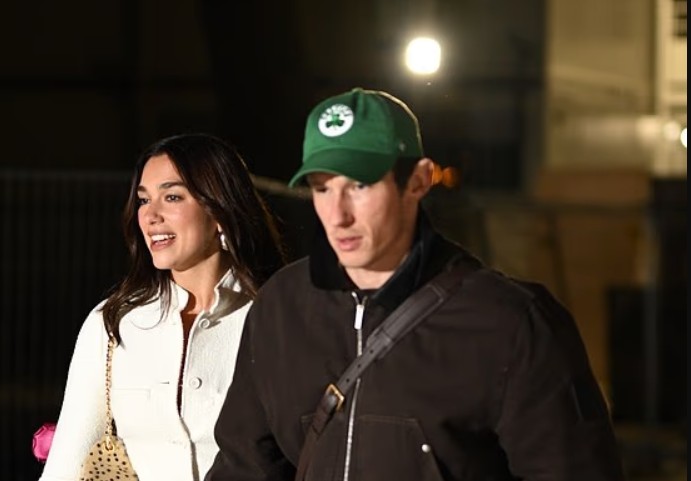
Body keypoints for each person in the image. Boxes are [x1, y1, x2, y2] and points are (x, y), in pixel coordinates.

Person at [206, 88, 625, 480]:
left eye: (360, 185)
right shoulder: (281, 307)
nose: (338, 214)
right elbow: (244, 467)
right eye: (322, 188)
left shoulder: (511, 323)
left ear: (419, 181)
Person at [39, 133, 286, 481]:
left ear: (219, 210)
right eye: (143, 200)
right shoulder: (113, 322)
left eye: (172, 197)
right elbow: (66, 464)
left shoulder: (275, 317)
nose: (150, 215)